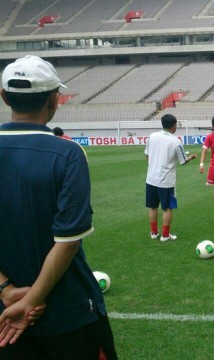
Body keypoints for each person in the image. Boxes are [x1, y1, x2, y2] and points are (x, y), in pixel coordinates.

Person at [0, 55, 118, 358]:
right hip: (67, 311)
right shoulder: (68, 153)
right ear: (55, 99)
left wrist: (7, 290)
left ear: (3, 96)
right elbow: (67, 241)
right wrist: (32, 300)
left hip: (5, 315)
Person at [145, 114, 198, 241]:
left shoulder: (152, 136)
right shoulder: (176, 141)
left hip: (151, 178)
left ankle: (153, 233)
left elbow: (147, 155)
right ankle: (165, 235)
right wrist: (190, 158)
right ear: (174, 125)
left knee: (153, 206)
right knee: (167, 207)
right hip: (166, 181)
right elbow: (183, 161)